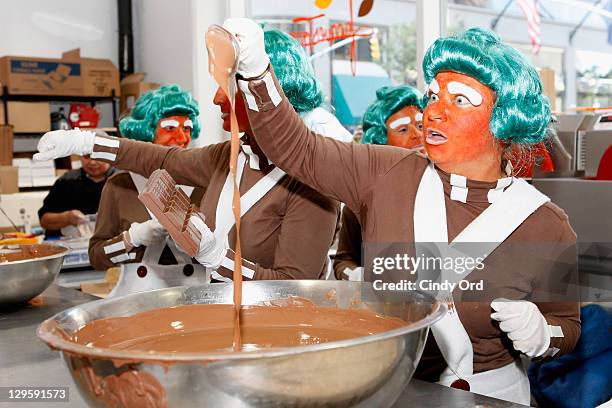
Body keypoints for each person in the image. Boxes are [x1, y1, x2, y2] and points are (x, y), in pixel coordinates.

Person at [195, 20, 577, 404]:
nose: (433, 113)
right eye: (432, 96)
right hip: (393, 388)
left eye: (459, 100)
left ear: (504, 120)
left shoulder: (544, 224)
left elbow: (569, 327)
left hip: (495, 397)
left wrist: (544, 333)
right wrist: (258, 72)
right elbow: (297, 149)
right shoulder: (384, 173)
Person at [35, 28, 341, 283]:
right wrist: (85, 141)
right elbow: (162, 159)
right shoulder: (228, 156)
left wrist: (218, 259)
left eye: (228, 86)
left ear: (270, 93)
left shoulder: (312, 179)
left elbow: (294, 287)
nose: (216, 98)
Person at [88, 84, 207, 296]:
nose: (182, 138)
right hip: (138, 304)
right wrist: (131, 239)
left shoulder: (203, 183)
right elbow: (97, 257)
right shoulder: (120, 185)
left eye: (187, 128)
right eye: (170, 128)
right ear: (146, 131)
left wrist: (199, 244)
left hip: (197, 300)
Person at [334, 85, 424, 281]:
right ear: (381, 141)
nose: (417, 135)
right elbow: (344, 261)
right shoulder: (363, 199)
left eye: (420, 126)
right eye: (402, 129)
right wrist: (359, 276)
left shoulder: (448, 186)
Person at [38, 155, 114, 238]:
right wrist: (67, 217)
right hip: (71, 244)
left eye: (98, 157)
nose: (92, 162)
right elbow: (44, 221)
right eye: (86, 157)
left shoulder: (124, 180)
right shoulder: (67, 181)